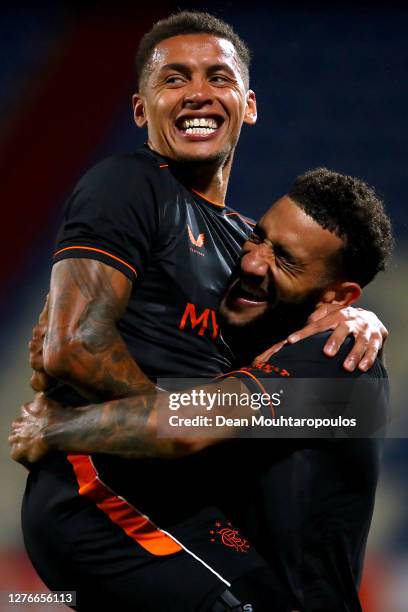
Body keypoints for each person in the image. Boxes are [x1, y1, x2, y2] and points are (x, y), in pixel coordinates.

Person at [11, 11, 388, 612]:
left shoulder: (247, 248)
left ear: (250, 104)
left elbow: (298, 378)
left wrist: (356, 319)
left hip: (181, 502)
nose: (198, 93)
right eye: (174, 78)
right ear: (140, 110)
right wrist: (173, 431)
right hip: (104, 487)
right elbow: (71, 346)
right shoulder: (130, 184)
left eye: (218, 76)